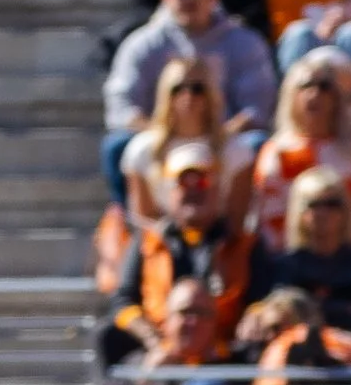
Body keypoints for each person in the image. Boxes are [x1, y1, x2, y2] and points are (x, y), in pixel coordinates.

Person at [104, 0, 279, 202]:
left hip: (225, 139)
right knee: (118, 146)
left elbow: (257, 109)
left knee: (257, 144)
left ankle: (243, 231)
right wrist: (164, 134)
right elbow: (122, 107)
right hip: (158, 139)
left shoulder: (246, 42)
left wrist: (215, 135)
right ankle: (133, 227)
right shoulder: (140, 45)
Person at [109, 143, 266, 358]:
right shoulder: (147, 243)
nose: (193, 190)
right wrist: (152, 339)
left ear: (218, 190)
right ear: (168, 192)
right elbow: (122, 301)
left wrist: (255, 315)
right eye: (183, 183)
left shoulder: (243, 244)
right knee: (107, 336)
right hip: (159, 349)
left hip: (225, 353)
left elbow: (264, 294)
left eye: (202, 182)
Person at [252, 53, 351, 251]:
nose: (314, 94)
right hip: (293, 258)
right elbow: (269, 219)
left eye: (324, 87)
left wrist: (337, 241)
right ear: (291, 95)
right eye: (305, 86)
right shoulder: (276, 152)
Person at [120, 57, 254, 233]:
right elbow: (143, 219)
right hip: (161, 245)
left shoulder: (236, 150)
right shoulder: (141, 149)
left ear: (211, 95)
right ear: (165, 95)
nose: (188, 96)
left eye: (197, 89)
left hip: (218, 244)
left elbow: (236, 221)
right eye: (178, 89)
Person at [269, 169, 351, 348]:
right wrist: (344, 310)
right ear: (299, 211)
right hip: (296, 356)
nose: (323, 212)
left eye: (332, 204)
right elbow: (279, 317)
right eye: (313, 204)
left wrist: (316, 311)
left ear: (345, 210)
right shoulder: (284, 266)